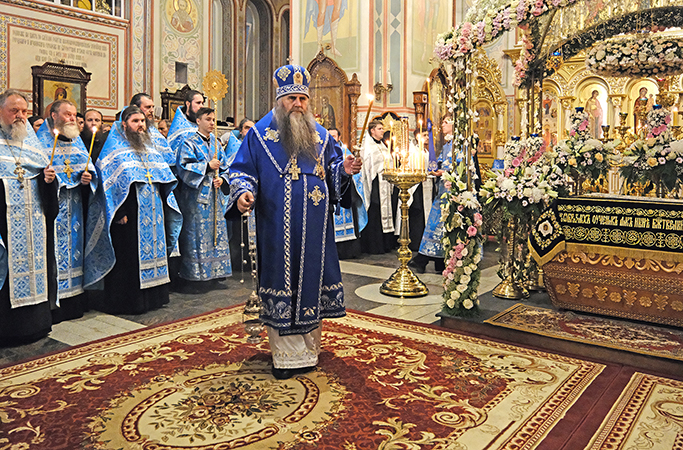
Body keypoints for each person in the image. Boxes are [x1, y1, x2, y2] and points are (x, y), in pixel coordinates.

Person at [226, 64, 362, 380]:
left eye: (303, 98)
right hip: (276, 227)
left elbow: (334, 171)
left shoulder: (323, 136)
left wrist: (346, 170)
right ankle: (286, 357)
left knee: (311, 284)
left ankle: (309, 352)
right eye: (292, 99)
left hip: (315, 230)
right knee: (282, 283)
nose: (298, 104)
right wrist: (244, 193)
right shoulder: (259, 135)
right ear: (279, 101)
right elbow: (241, 171)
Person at [84, 106, 182, 314]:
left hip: (153, 213)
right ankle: (128, 302)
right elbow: (107, 187)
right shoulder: (114, 152)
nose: (140, 126)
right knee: (129, 258)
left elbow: (164, 179)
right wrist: (118, 213)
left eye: (142, 121)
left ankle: (154, 297)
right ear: (124, 125)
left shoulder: (150, 150)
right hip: (129, 215)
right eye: (135, 121)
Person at [0, 89, 58, 345]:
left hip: (34, 226)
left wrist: (49, 181)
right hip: (5, 225)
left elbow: (46, 187)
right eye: (15, 110)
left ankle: (35, 326)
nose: (21, 116)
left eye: (24, 111)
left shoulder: (31, 144)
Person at [36, 100, 96, 323]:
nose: (72, 118)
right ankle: (54, 304)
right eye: (67, 114)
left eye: (73, 115)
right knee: (55, 254)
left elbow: (89, 170)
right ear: (53, 115)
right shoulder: (41, 143)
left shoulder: (78, 142)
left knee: (75, 254)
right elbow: (36, 176)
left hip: (76, 210)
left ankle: (75, 302)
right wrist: (47, 181)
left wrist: (88, 178)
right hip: (53, 211)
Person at [176, 107, 231, 284]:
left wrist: (222, 179)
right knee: (197, 234)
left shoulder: (216, 143)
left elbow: (226, 167)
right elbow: (183, 167)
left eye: (214, 120)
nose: (212, 123)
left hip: (215, 197)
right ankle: (197, 275)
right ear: (198, 121)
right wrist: (207, 166)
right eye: (208, 119)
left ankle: (216, 272)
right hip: (196, 198)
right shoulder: (188, 143)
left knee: (216, 232)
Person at [409, 116, 455, 273]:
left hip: (452, 193)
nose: (442, 125)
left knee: (439, 226)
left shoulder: (459, 145)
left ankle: (424, 260)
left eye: (445, 122)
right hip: (442, 191)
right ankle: (436, 262)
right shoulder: (447, 144)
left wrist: (442, 171)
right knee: (435, 227)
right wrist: (435, 169)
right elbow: (438, 163)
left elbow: (461, 167)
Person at [358, 118, 396, 254]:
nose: (382, 131)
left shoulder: (382, 145)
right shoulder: (368, 147)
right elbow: (367, 168)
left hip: (385, 183)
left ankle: (385, 243)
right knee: (375, 211)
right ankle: (374, 246)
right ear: (372, 130)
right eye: (380, 129)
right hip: (375, 184)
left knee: (385, 212)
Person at [329, 127, 367, 259]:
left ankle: (349, 251)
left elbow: (357, 174)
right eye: (330, 136)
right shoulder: (325, 152)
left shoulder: (346, 152)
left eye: (334, 136)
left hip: (345, 195)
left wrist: (348, 175)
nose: (332, 138)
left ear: (339, 137)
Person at [130, 93, 176, 168]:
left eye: (152, 107)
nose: (152, 110)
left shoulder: (156, 134)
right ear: (135, 108)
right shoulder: (124, 132)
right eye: (148, 107)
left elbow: (170, 162)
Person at [167, 89, 204, 159]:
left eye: (202, 103)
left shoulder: (201, 123)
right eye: (198, 103)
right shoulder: (179, 128)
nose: (201, 106)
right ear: (188, 104)